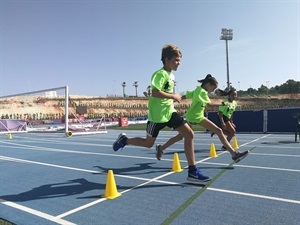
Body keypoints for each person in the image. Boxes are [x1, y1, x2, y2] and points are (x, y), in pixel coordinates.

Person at [113, 44, 211, 183]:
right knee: (148, 144)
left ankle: (192, 171)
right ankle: (124, 140)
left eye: (180, 60)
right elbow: (155, 92)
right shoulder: (159, 74)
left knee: (189, 134)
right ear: (167, 59)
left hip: (169, 112)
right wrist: (173, 96)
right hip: (157, 116)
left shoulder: (171, 76)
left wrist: (177, 97)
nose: (179, 63)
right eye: (176, 60)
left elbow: (167, 94)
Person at [156, 74, 249, 163]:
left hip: (198, 117)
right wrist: (223, 103)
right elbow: (209, 103)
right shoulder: (201, 92)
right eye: (213, 88)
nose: (213, 91)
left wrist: (174, 99)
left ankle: (234, 154)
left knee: (217, 131)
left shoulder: (197, 90)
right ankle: (234, 154)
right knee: (181, 136)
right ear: (208, 84)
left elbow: (185, 96)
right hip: (192, 117)